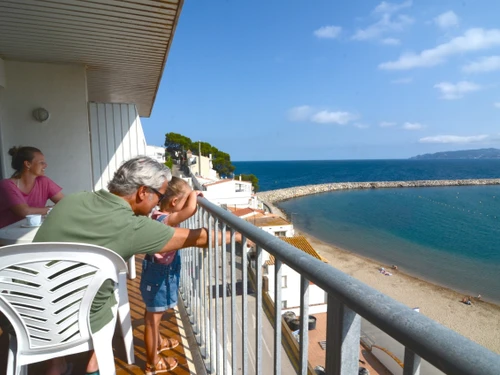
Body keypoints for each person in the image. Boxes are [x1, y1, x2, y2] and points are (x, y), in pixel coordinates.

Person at [33, 156, 241, 375]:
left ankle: (54, 364)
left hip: (26, 311)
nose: (157, 203)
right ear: (143, 192)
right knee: (106, 300)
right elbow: (198, 238)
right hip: (75, 320)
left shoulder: (72, 200)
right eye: (159, 196)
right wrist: (238, 237)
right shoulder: (131, 226)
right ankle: (94, 365)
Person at [141, 177, 201, 373]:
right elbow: (190, 211)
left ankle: (158, 342)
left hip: (159, 271)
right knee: (152, 319)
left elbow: (188, 210)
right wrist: (194, 195)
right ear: (175, 202)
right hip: (157, 275)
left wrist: (190, 197)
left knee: (155, 312)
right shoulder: (164, 219)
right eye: (185, 199)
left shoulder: (158, 214)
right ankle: (152, 363)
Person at [0, 146, 64, 228]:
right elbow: (24, 212)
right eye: (41, 163)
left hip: (31, 233)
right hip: (5, 237)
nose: (45, 165)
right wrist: (51, 209)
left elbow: (65, 203)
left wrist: (49, 209)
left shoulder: (43, 181)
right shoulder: (6, 185)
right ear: (28, 164)